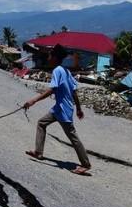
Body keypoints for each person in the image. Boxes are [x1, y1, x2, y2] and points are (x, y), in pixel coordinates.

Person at [23, 44, 92, 175]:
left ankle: (85, 164)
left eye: (50, 55)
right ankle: (38, 152)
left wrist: (34, 100)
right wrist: (78, 108)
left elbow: (52, 89)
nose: (48, 57)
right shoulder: (66, 71)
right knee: (42, 123)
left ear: (55, 57)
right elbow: (74, 91)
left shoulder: (57, 71)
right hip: (59, 108)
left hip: (62, 110)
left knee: (73, 136)